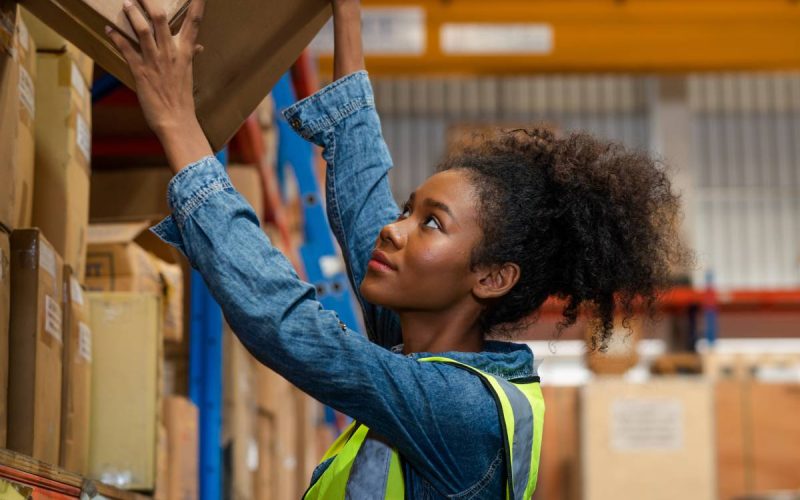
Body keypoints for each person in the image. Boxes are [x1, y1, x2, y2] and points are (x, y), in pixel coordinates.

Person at [107, 0, 686, 497]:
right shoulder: (419, 342)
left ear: (490, 277)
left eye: (431, 224)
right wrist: (347, 13)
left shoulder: (462, 409)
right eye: (410, 208)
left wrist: (177, 119)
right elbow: (362, 195)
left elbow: (291, 328)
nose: (395, 228)